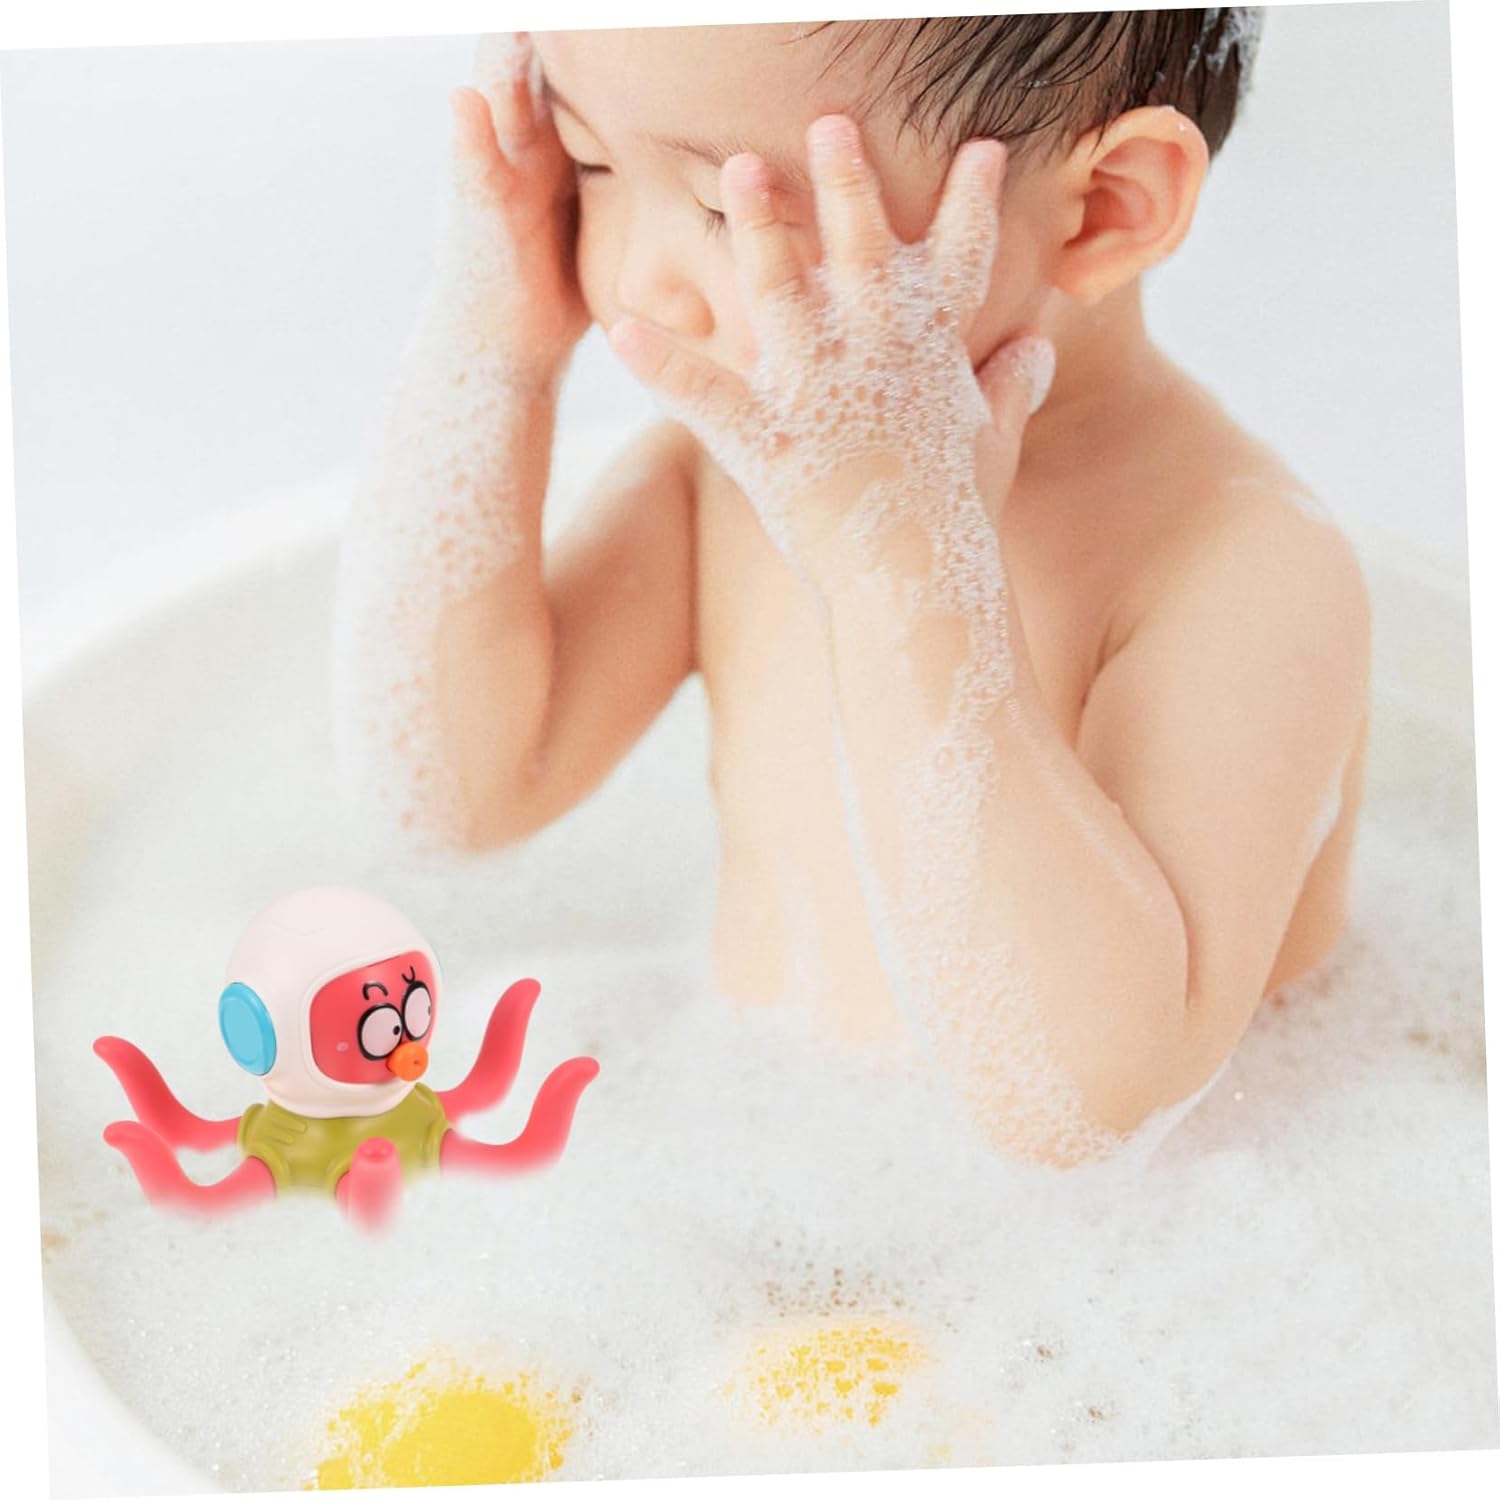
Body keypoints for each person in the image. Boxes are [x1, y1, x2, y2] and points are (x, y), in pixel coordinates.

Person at [332, 10, 1369, 1166]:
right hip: (764, 1165)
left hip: (1156, 1244)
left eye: (725, 210)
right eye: (592, 163)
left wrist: (902, 567)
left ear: (1105, 208)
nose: (636, 282)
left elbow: (1084, 1107)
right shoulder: (730, 483)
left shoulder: (1242, 565)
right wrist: (492, 354)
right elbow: (453, 794)